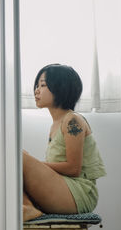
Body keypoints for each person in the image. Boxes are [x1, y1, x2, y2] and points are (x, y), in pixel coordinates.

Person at [23, 64, 106, 221]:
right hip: (65, 189)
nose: (37, 90)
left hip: (79, 194)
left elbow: (73, 168)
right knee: (18, 157)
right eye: (37, 85)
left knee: (19, 157)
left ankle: (27, 207)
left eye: (43, 85)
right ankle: (27, 207)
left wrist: (35, 164)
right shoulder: (56, 124)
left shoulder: (72, 120)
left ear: (60, 88)